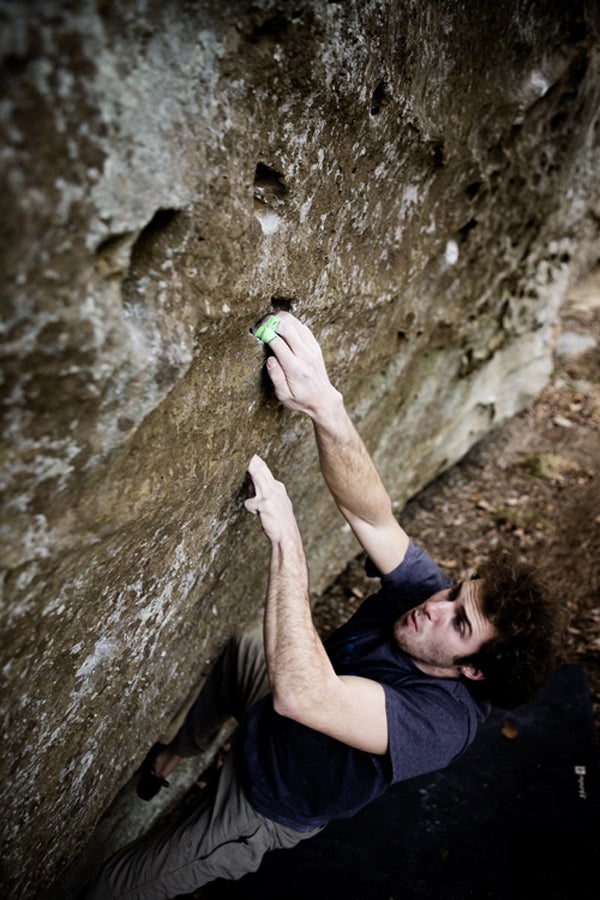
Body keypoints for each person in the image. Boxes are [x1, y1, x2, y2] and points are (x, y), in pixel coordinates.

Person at [83, 312, 565, 899]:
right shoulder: (431, 602)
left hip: (269, 798)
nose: (435, 605)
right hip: (274, 720)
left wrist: (288, 541)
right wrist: (325, 406)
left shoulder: (440, 722)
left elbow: (306, 695)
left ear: (473, 669)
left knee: (111, 886)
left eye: (459, 622)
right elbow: (371, 514)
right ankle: (174, 759)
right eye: (454, 593)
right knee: (243, 652)